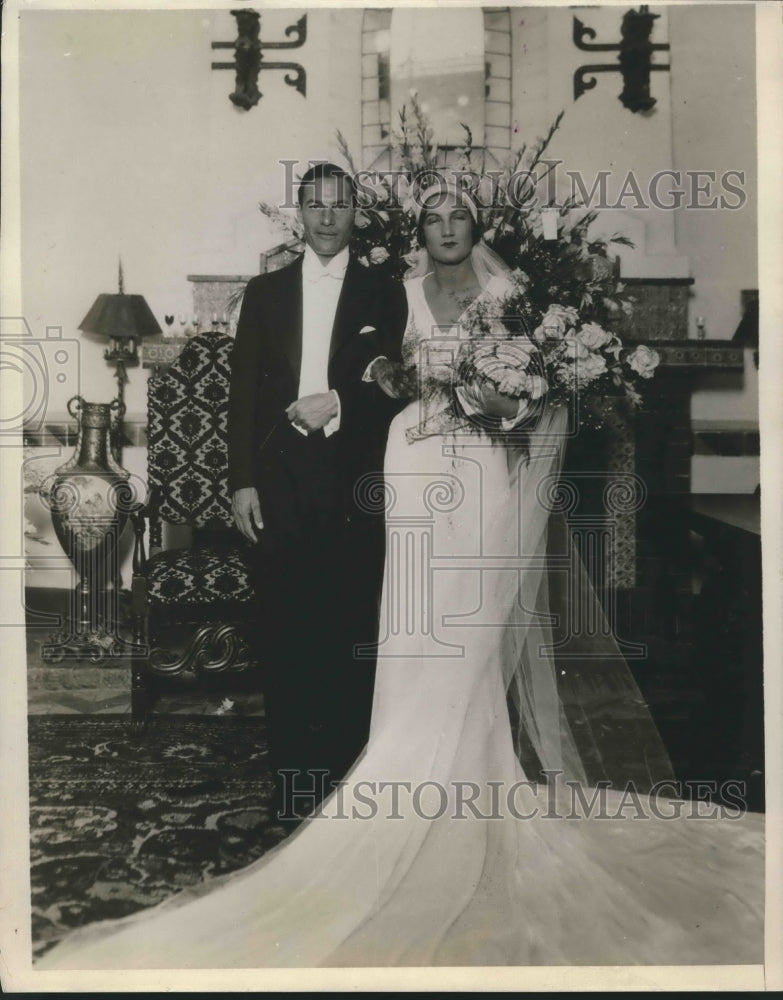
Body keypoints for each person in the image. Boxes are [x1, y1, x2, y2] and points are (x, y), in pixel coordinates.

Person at [37, 180, 764, 970]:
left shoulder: (511, 291)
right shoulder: (399, 289)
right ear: (417, 228)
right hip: (411, 462)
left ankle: (463, 782)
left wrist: (506, 404)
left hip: (484, 469)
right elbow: (378, 379)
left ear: (476, 225)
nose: (446, 227)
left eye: (459, 216)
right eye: (434, 217)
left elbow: (544, 395)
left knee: (470, 625)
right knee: (407, 620)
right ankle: (386, 773)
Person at [227, 163, 406, 822]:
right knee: (285, 629)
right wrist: (241, 479)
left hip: (354, 478)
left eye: (339, 204)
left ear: (356, 211)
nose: (327, 216)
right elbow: (241, 392)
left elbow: (400, 384)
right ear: (298, 213)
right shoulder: (265, 291)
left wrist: (342, 402)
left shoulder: (385, 291)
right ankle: (292, 783)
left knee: (350, 625)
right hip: (277, 480)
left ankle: (346, 783)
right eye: (315, 204)